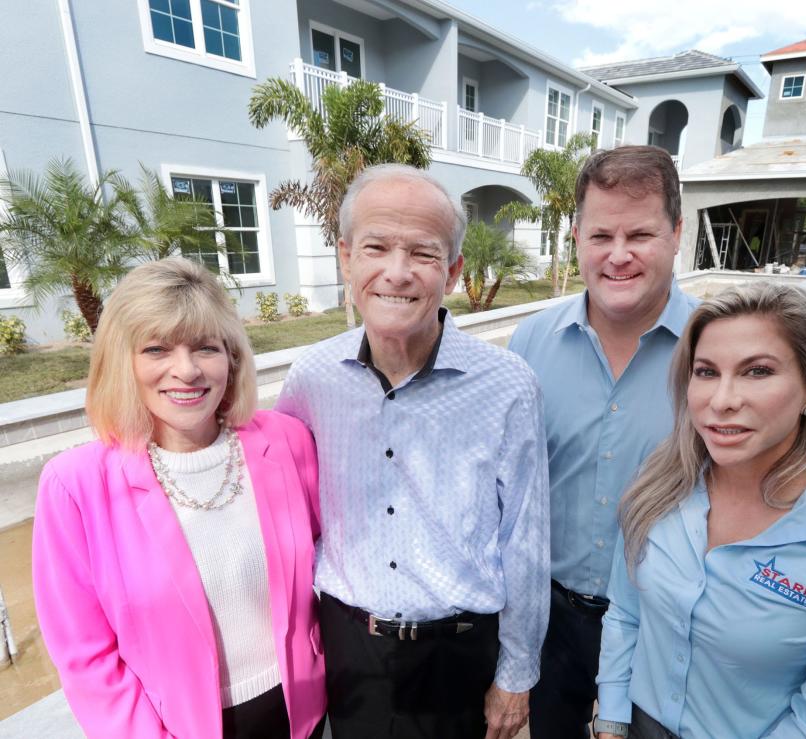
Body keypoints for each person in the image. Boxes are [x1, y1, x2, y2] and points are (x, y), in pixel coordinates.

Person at [275, 164, 549, 739]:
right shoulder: (311, 380)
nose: (396, 274)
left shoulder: (506, 384)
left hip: (459, 656)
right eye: (376, 247)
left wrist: (517, 673)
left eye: (423, 254)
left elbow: (524, 539)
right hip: (350, 652)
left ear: (451, 271)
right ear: (347, 258)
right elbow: (287, 518)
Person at [595, 283, 806, 739]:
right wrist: (610, 720)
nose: (722, 399)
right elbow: (626, 614)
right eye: (706, 372)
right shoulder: (660, 484)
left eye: (757, 371)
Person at [32, 258, 326, 739]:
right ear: (122, 362)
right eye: (156, 349)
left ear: (231, 359)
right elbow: (85, 657)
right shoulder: (74, 486)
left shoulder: (287, 441)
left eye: (206, 348)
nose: (186, 371)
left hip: (301, 715)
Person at [508, 145, 698, 738]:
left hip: (665, 625)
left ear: (675, 233)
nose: (619, 256)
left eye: (640, 234)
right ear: (576, 237)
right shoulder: (530, 345)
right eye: (600, 236)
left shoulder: (716, 353)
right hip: (550, 620)